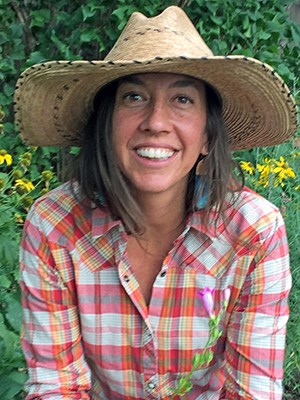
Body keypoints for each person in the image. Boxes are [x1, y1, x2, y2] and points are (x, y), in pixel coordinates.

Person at [14, 6, 298, 400]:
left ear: (207, 138)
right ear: (106, 123)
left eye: (182, 99)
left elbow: (251, 390)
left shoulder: (253, 232)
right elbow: (56, 385)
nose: (156, 121)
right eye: (134, 96)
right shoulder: (55, 225)